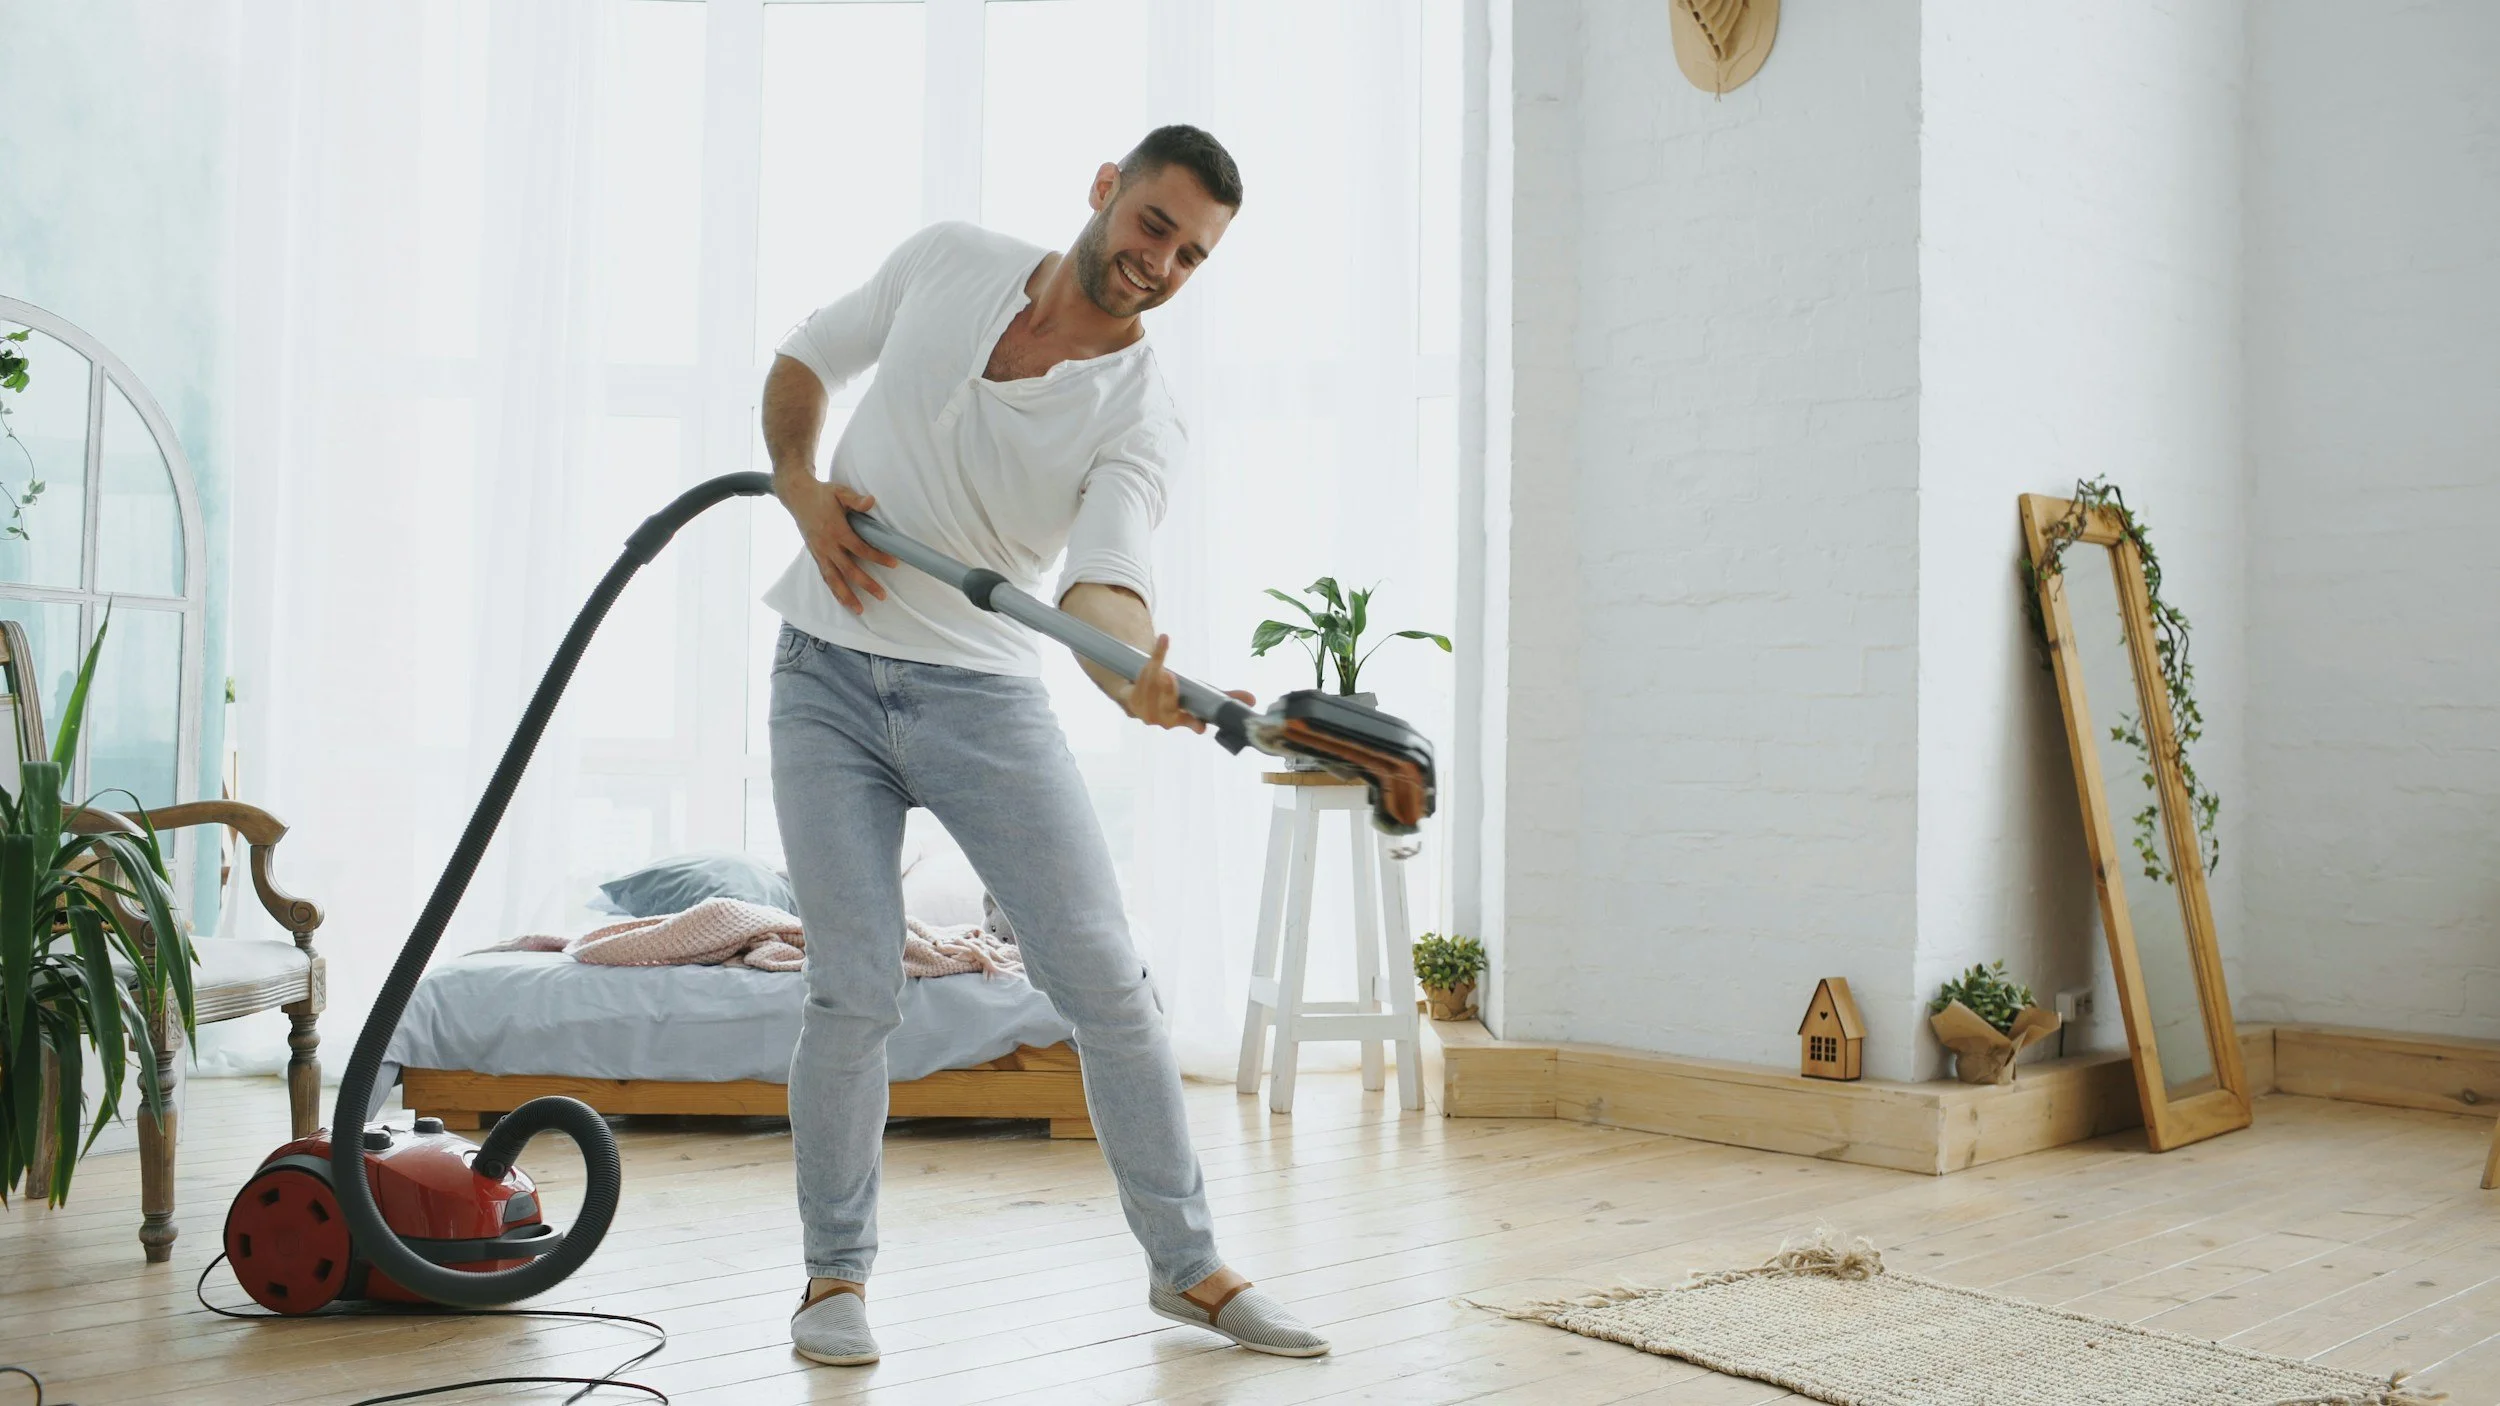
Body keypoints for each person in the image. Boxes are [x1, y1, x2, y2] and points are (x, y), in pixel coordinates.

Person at [759, 125, 1328, 1367]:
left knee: (1108, 986)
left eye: (1191, 254)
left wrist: (1134, 670)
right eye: (1153, 225)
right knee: (853, 984)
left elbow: (1103, 582)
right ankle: (831, 1277)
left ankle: (1191, 1268)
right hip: (822, 675)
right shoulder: (949, 259)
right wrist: (800, 484)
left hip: (984, 697)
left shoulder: (1141, 414)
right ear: (1104, 189)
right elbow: (806, 356)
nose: (1161, 262)